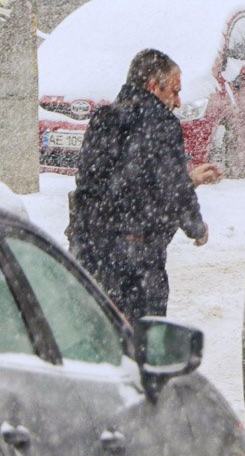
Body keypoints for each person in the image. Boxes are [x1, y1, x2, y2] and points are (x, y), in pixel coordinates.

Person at [67, 48, 221, 324]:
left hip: (90, 251)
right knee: (145, 339)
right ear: (153, 86)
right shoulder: (162, 125)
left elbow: (107, 181)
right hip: (136, 258)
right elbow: (170, 191)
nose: (177, 101)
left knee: (96, 332)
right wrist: (196, 227)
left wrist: (192, 179)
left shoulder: (103, 118)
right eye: (174, 91)